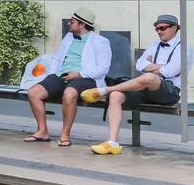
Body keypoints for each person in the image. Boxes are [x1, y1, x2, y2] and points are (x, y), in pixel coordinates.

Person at [85, 14, 190, 155]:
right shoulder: (154, 45)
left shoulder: (185, 48)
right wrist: (158, 67)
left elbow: (171, 70)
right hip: (145, 88)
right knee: (116, 95)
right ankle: (112, 143)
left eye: (163, 28)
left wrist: (152, 66)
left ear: (175, 28)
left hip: (170, 91)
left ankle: (105, 89)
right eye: (157, 28)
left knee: (149, 77)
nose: (159, 31)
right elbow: (139, 64)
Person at [25, 8, 111, 147]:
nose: (68, 24)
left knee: (69, 94)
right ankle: (42, 131)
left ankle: (65, 135)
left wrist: (80, 74)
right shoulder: (68, 37)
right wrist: (52, 75)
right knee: (33, 92)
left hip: (86, 78)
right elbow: (57, 58)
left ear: (82, 24)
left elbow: (103, 69)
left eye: (72, 22)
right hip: (61, 75)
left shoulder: (101, 41)